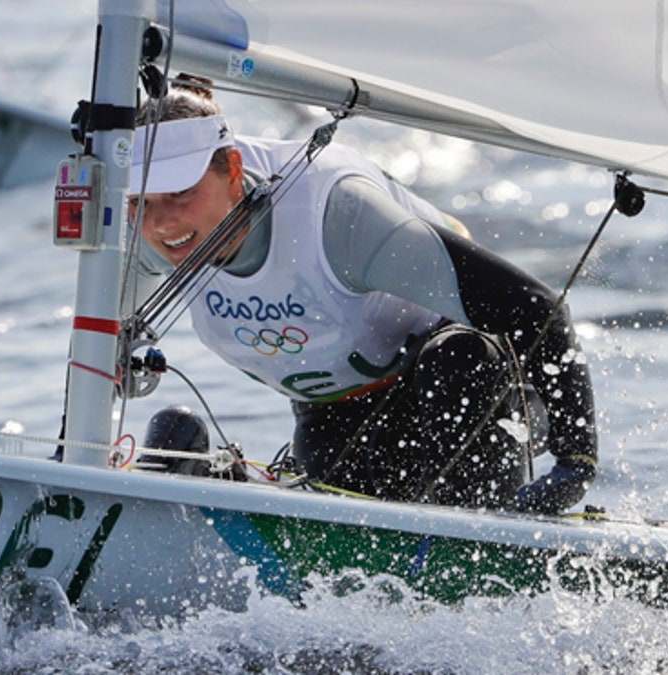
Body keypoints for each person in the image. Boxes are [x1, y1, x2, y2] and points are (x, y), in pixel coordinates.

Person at [127, 81, 597, 514]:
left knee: (457, 358)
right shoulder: (134, 238)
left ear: (233, 171)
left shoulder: (337, 216)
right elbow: (99, 350)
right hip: (335, 416)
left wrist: (574, 464)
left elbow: (536, 308)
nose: (162, 224)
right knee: (173, 431)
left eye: (180, 193)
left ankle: (476, 535)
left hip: (473, 387)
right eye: (141, 202)